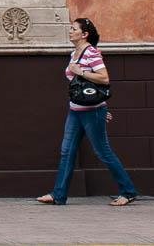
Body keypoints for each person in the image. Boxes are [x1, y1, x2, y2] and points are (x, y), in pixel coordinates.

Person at [36, 18, 138, 206]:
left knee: (103, 152)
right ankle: (59, 195)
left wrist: (81, 73)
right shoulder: (74, 53)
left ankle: (128, 191)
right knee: (67, 151)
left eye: (74, 29)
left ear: (84, 34)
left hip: (92, 112)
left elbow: (104, 78)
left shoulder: (91, 53)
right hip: (75, 111)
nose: (70, 31)